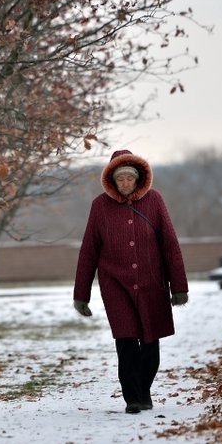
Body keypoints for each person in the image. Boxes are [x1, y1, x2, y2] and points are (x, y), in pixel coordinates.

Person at [73, 149, 188, 414]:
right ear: (112, 180)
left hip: (152, 284)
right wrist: (81, 295)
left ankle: (143, 391)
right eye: (120, 178)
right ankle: (133, 398)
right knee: (126, 341)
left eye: (129, 178)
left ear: (138, 179)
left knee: (150, 342)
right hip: (115, 285)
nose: (125, 183)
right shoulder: (99, 206)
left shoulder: (155, 201)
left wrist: (179, 287)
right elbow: (89, 250)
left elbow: (170, 244)